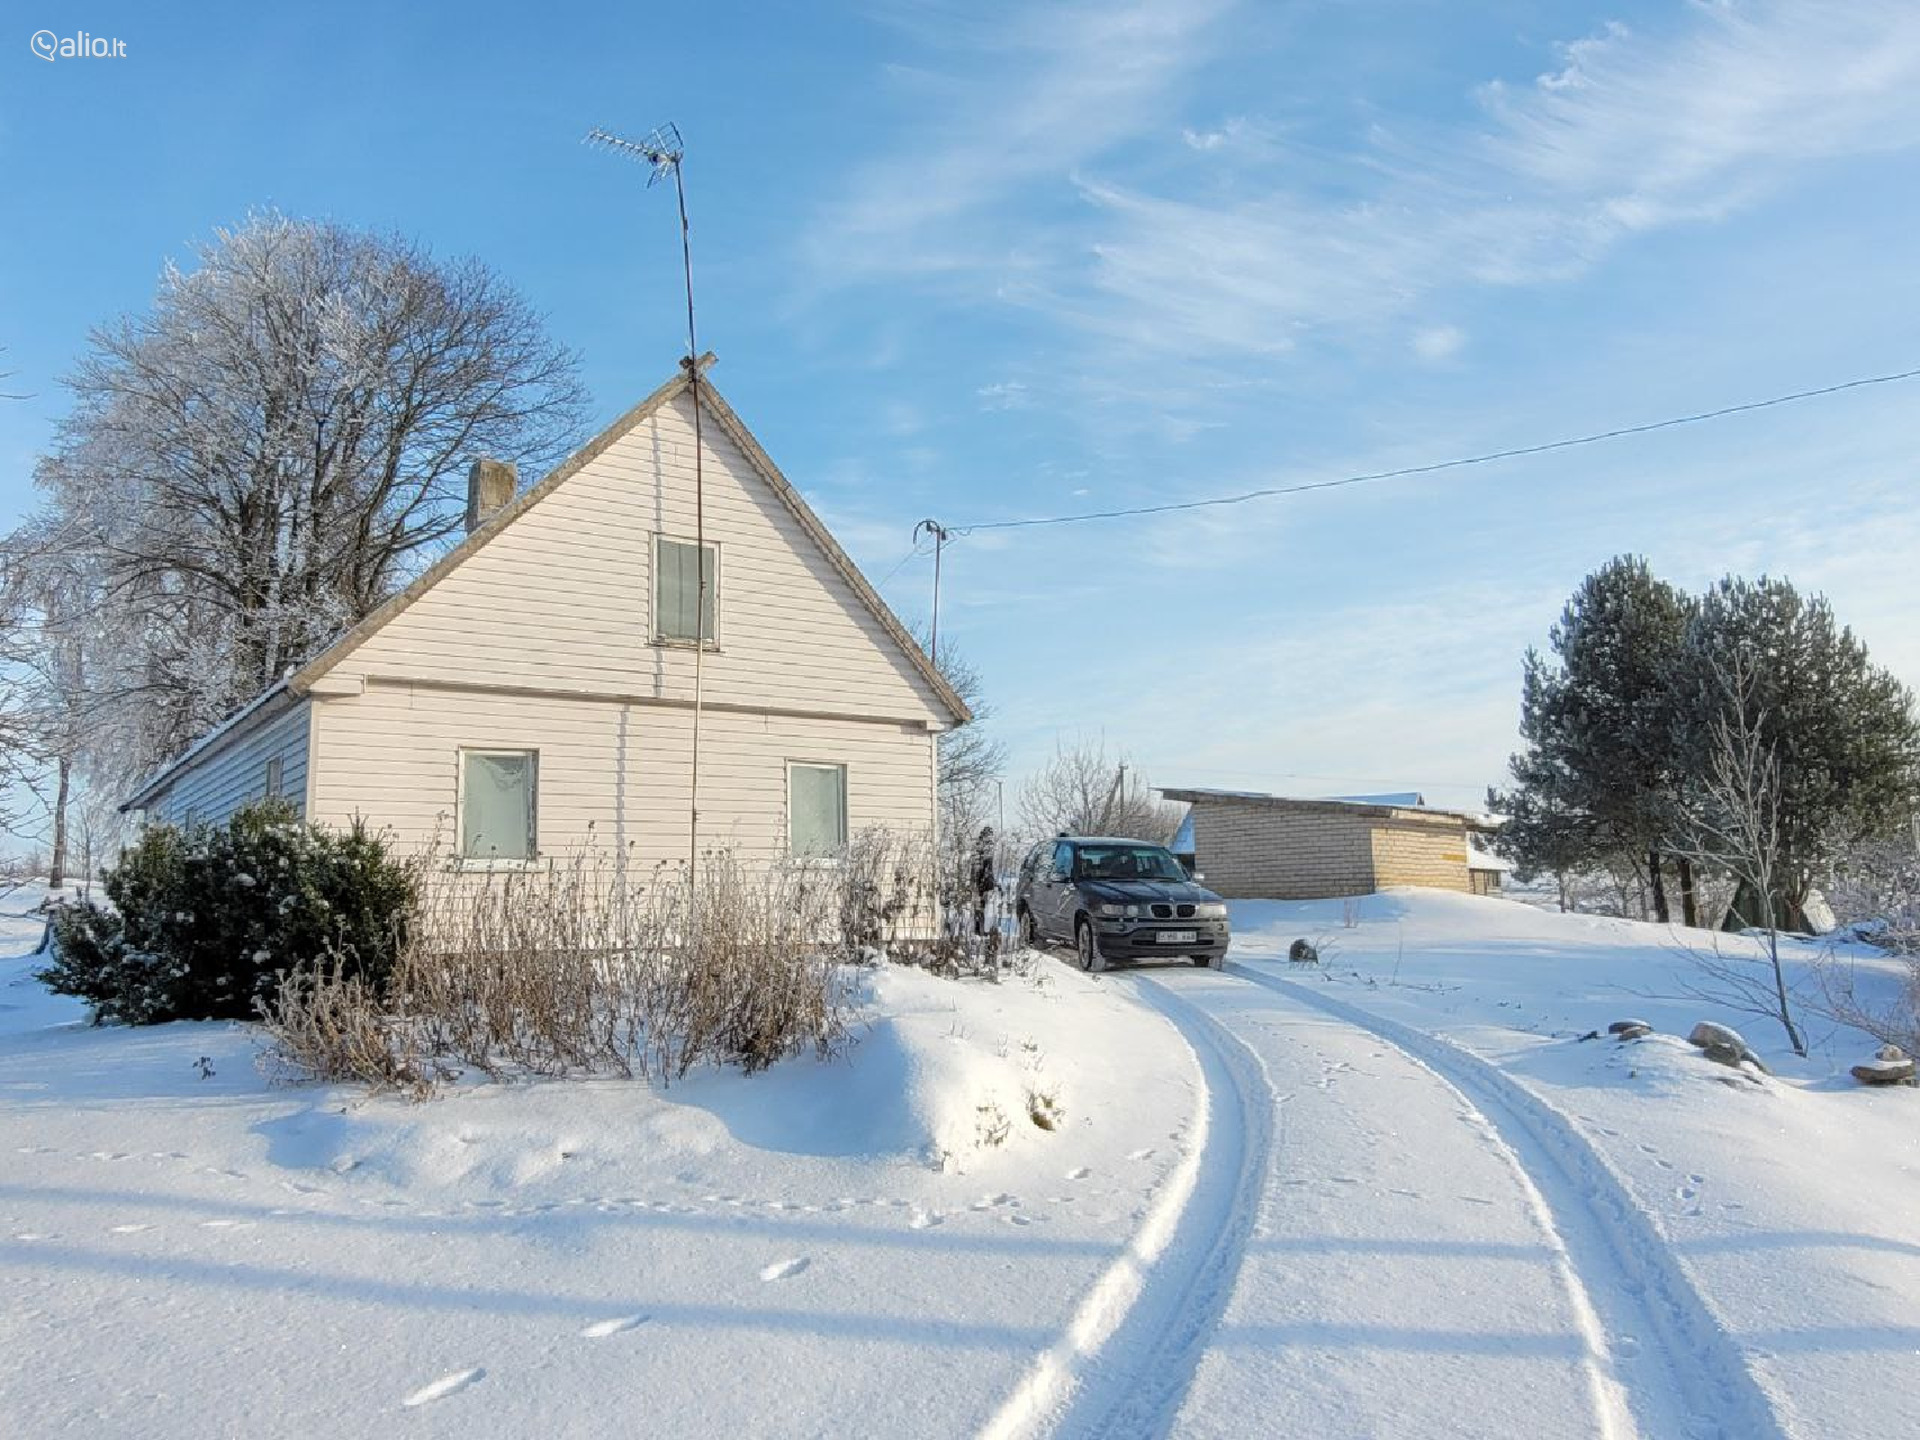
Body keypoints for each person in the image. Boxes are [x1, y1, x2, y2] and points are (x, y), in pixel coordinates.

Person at [971, 826, 997, 936]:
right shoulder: (981, 849)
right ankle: (979, 930)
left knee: (984, 906)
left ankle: (981, 929)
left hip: (985, 882)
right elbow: (978, 868)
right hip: (980, 882)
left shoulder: (985, 848)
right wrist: (980, 882)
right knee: (980, 906)